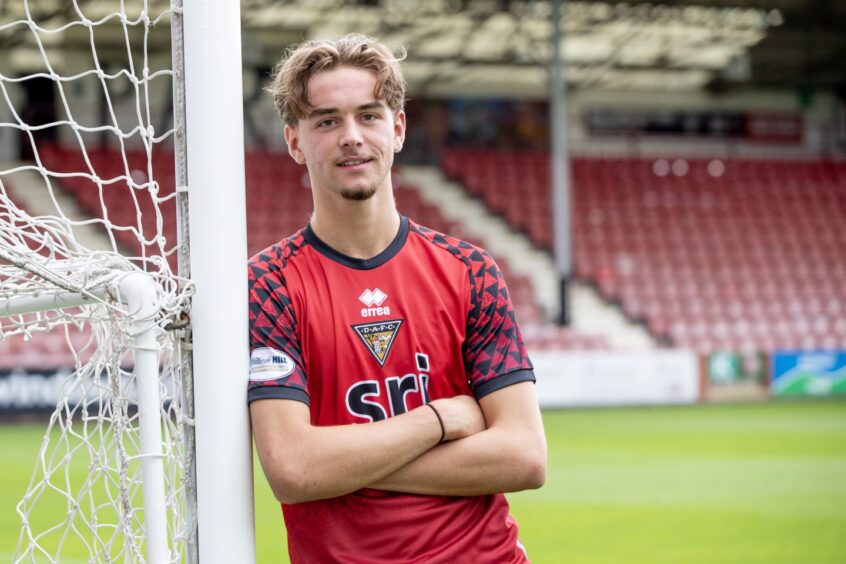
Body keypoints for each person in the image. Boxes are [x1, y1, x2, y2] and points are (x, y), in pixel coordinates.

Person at [248, 34, 547, 563]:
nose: (351, 137)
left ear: (398, 128)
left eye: (369, 115)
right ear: (295, 141)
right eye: (326, 121)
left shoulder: (470, 272)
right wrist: (436, 422)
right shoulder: (268, 286)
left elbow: (524, 456)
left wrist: (344, 466)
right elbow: (294, 470)